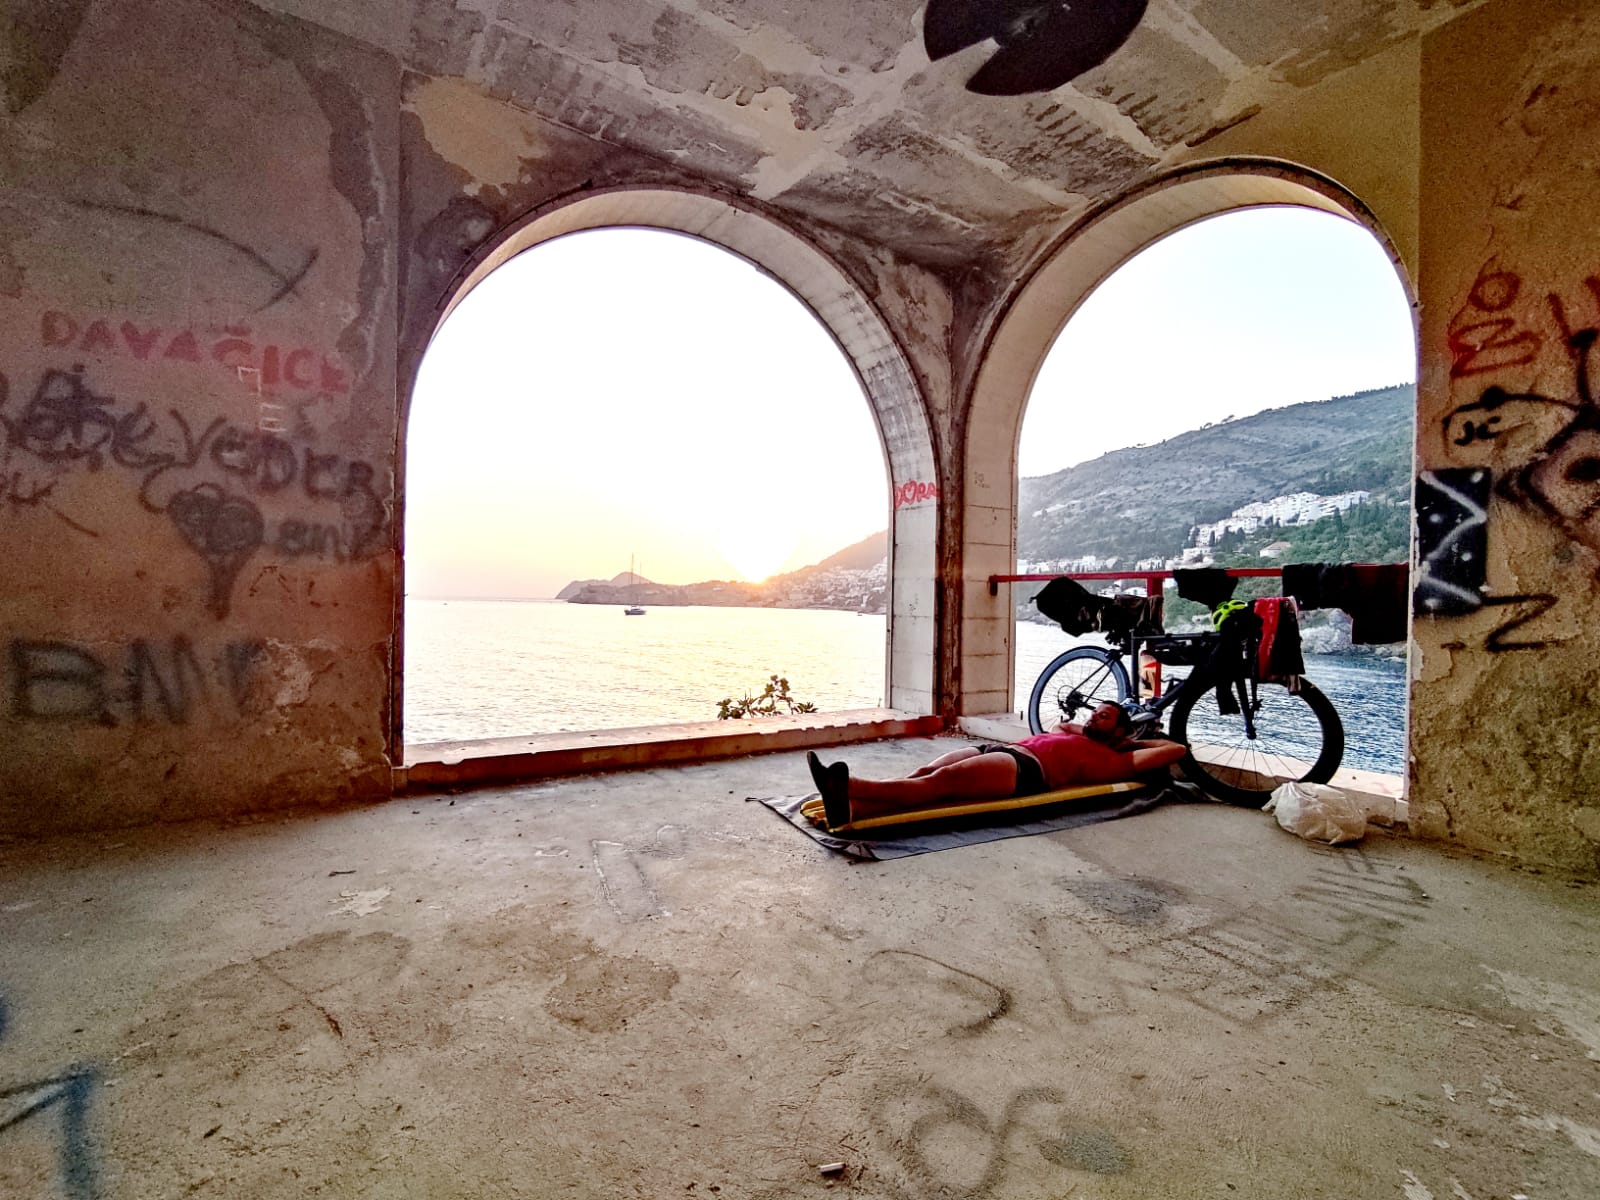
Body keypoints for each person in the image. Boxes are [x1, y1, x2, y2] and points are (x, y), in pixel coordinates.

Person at [803, 702, 1187, 830]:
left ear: (1122, 731)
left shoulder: (1120, 759)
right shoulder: (1078, 734)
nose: (1093, 717)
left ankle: (849, 784)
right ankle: (850, 808)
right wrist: (1091, 728)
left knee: (939, 783)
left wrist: (1129, 739)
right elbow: (1060, 725)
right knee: (921, 776)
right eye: (1095, 712)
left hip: (1025, 770)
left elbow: (1176, 750)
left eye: (1104, 717)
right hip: (1001, 750)